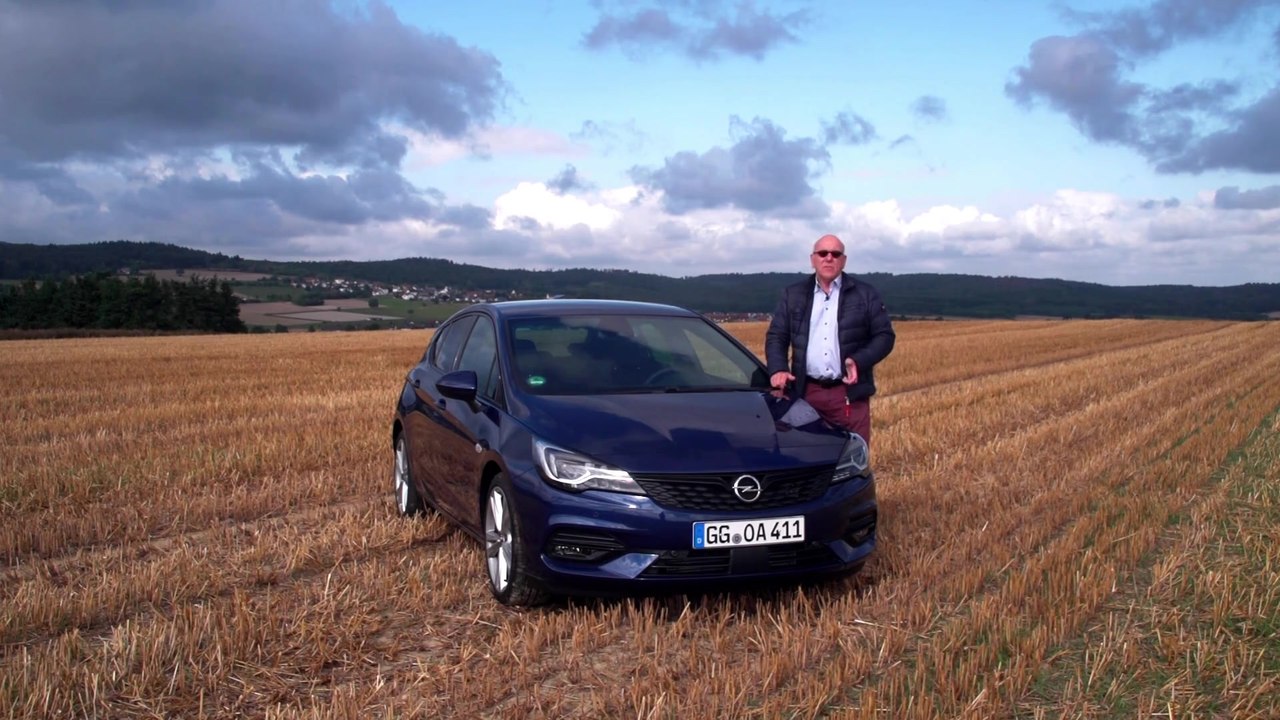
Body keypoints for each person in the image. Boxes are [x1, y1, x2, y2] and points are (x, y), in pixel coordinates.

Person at [765, 234, 895, 446]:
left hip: (848, 395)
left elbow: (885, 336)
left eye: (835, 254)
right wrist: (778, 368)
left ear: (843, 261)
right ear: (812, 259)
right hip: (806, 393)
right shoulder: (793, 295)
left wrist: (858, 361)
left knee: (851, 457)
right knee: (805, 455)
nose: (828, 258)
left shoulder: (865, 294)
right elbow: (777, 336)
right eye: (822, 253)